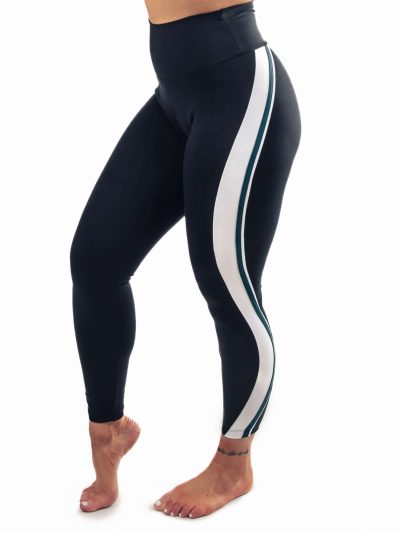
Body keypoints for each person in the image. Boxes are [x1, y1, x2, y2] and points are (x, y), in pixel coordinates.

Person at [70, 0, 302, 518]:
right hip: (176, 93)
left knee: (228, 284)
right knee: (96, 260)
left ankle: (234, 464)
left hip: (240, 90)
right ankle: (108, 430)